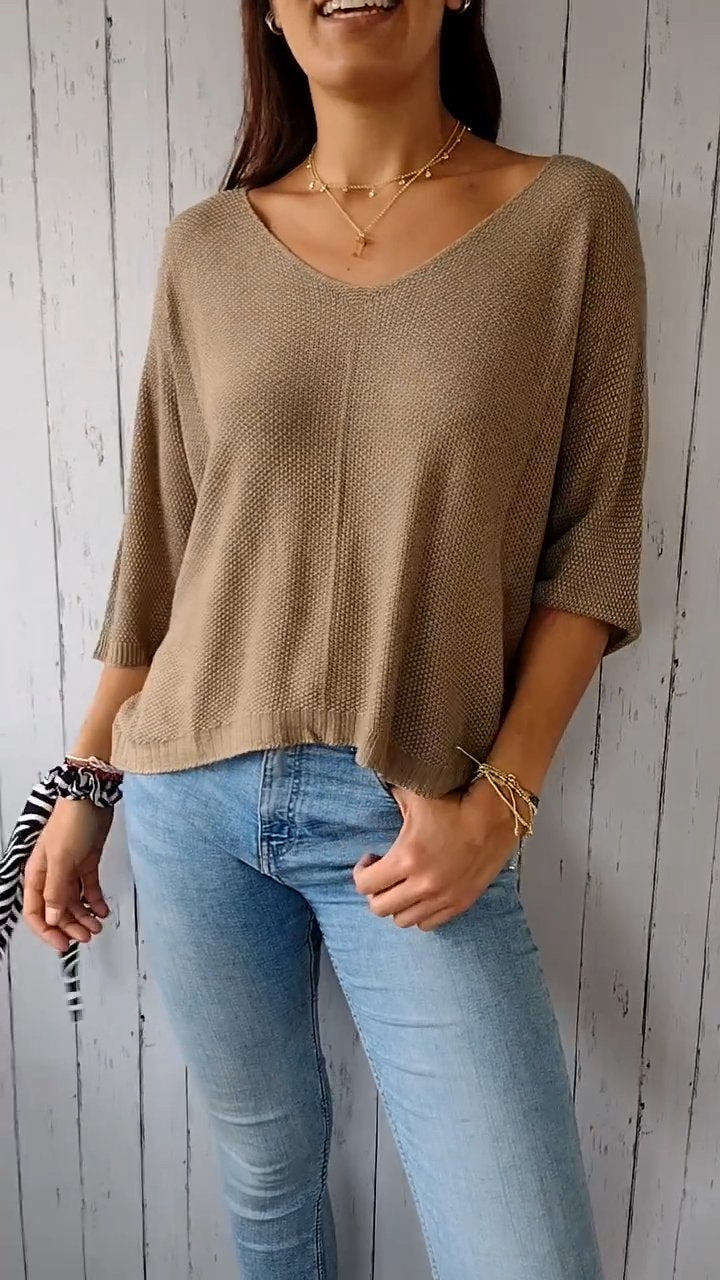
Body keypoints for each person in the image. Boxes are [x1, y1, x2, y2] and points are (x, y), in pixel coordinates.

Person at [21, 0, 648, 1276]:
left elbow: (594, 541)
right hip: (190, 800)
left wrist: (500, 804)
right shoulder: (206, 247)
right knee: (268, 1180)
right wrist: (86, 781)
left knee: (526, 1254)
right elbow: (161, 543)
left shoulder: (569, 217)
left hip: (408, 814)